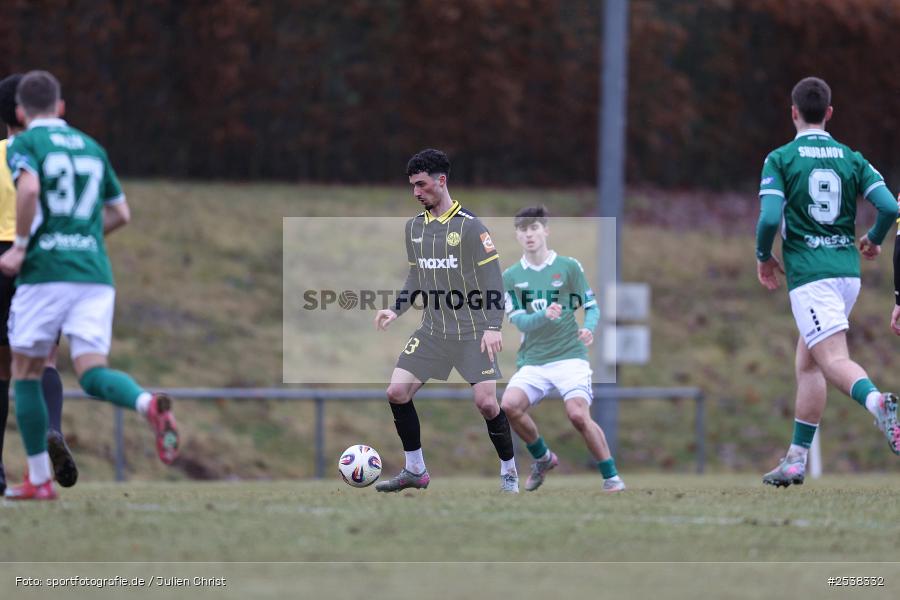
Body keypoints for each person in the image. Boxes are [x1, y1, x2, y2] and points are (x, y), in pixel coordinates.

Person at [0, 71, 180, 500]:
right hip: (94, 273)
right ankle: (146, 404)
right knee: (89, 370)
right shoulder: (92, 147)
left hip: (42, 271)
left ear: (21, 113)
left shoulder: (24, 145)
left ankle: (38, 480)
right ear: (61, 107)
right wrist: (82, 239)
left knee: (22, 372)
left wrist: (25, 246)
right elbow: (121, 213)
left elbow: (27, 193)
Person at [756, 76, 900, 487]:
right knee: (808, 363)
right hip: (846, 275)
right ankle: (796, 459)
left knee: (833, 359)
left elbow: (769, 218)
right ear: (830, 113)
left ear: (794, 112)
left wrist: (764, 256)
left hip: (811, 276)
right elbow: (889, 206)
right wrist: (872, 239)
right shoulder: (851, 158)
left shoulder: (780, 159)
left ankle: (878, 402)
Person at [373, 148, 517, 492]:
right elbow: (417, 277)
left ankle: (510, 471)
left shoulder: (471, 228)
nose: (416, 192)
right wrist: (395, 308)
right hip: (433, 332)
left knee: (486, 404)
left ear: (441, 181)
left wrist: (493, 327)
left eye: (421, 184)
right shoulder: (414, 229)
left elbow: (493, 282)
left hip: (472, 333)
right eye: (412, 186)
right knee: (396, 391)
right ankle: (415, 470)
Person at [499, 206, 625, 493]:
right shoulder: (511, 276)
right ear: (517, 235)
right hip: (533, 360)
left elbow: (591, 307)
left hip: (570, 357)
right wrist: (545, 315)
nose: (529, 235)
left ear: (546, 231)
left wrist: (589, 328)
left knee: (578, 415)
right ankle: (543, 458)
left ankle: (611, 476)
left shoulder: (569, 267)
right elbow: (519, 321)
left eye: (534, 228)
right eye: (523, 230)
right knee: (508, 405)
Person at [0, 73, 76, 496]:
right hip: (39, 258)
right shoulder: (50, 157)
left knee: (1, 369)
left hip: (0, 257)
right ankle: (51, 429)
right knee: (44, 359)